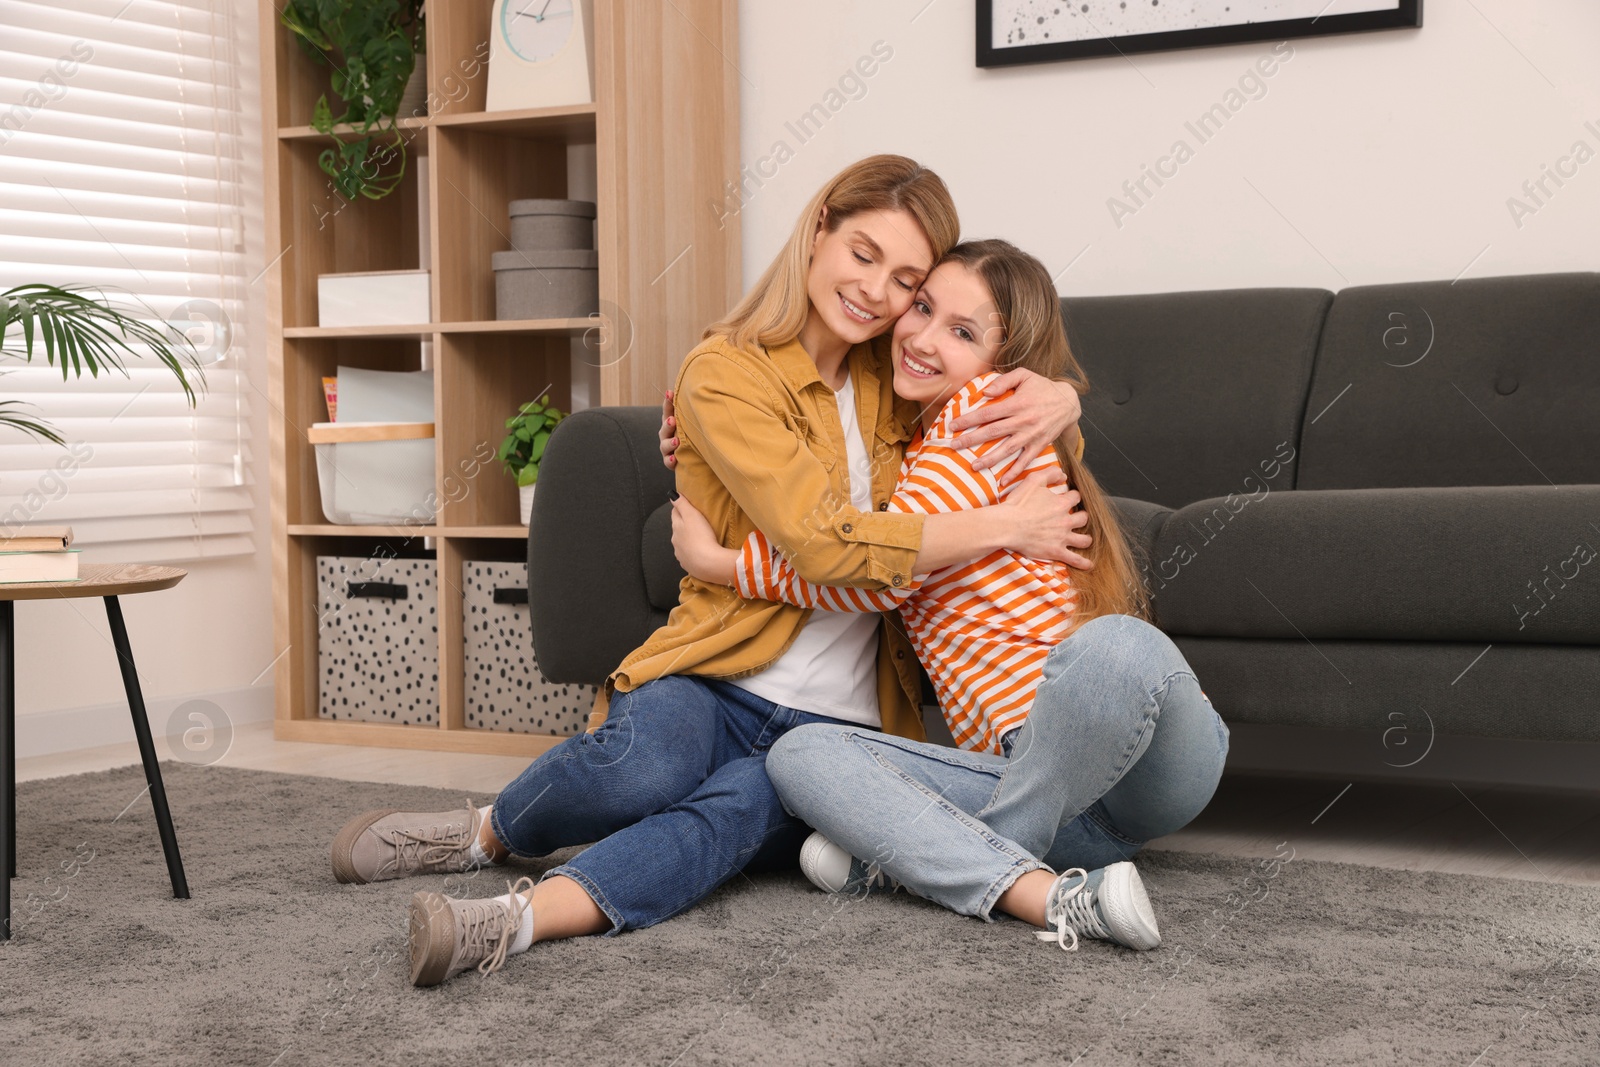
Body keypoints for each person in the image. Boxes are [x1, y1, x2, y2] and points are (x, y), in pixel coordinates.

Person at [326, 156, 1091, 987]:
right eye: (864, 254)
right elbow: (828, 545)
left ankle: (508, 923)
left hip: (841, 732)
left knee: (722, 821)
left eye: (906, 280)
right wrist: (1006, 524)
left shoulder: (901, 374)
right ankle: (485, 832)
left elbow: (1006, 422)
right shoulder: (724, 371)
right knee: (642, 767)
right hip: (720, 671)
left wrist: (1064, 397)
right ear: (821, 226)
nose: (879, 294)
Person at [670, 239, 1230, 955]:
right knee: (800, 755)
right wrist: (701, 434)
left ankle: (952, 857)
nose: (925, 337)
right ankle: (1036, 883)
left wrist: (722, 562)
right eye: (924, 307)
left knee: (1117, 645)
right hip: (1050, 796)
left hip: (1139, 757)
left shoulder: (974, 416)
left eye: (962, 332)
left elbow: (874, 568)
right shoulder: (915, 431)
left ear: (1005, 365)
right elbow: (846, 517)